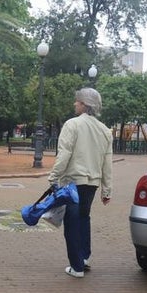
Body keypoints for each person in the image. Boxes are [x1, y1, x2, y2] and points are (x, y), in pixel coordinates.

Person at [48, 87, 113, 278]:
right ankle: (84, 257)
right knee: (84, 217)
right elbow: (107, 163)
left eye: (77, 101)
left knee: (72, 222)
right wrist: (107, 190)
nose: (74, 104)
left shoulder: (72, 125)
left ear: (84, 104)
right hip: (92, 183)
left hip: (73, 181)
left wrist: (54, 177)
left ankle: (76, 267)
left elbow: (65, 154)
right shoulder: (104, 130)